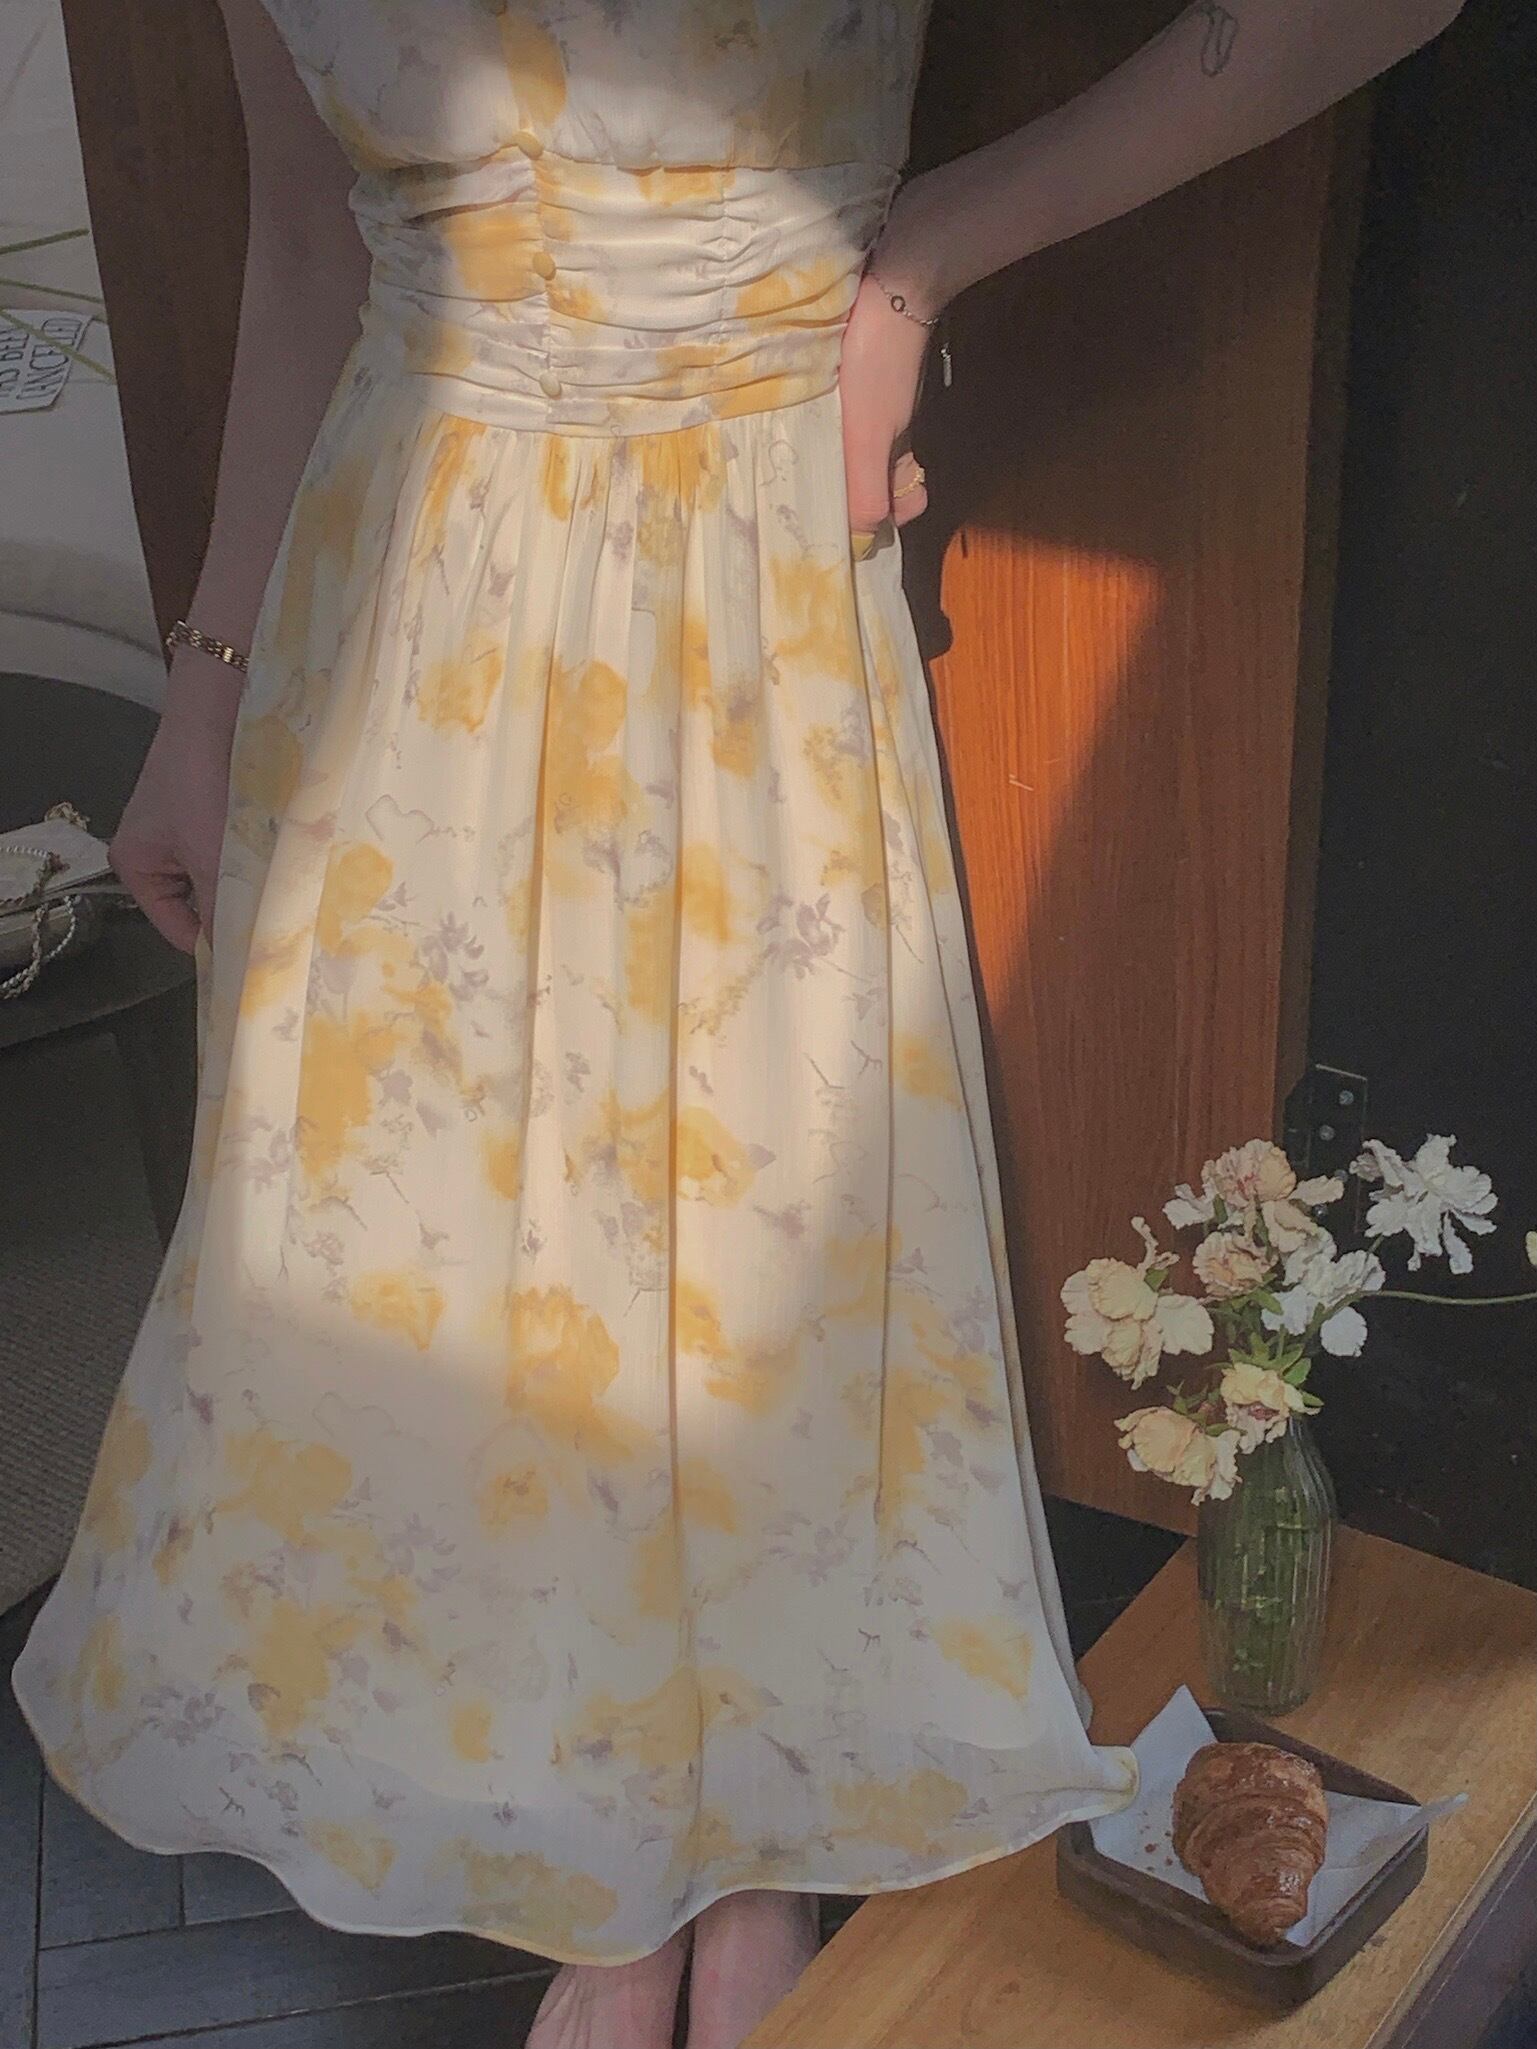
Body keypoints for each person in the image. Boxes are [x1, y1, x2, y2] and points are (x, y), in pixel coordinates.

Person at [12, 3, 1463, 2046]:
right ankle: (606, 1850)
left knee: (744, 1241)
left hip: (736, 588)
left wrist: (929, 250)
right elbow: (305, 242)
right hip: (400, 601)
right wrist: (207, 685)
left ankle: (747, 1839)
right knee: (457, 1263)